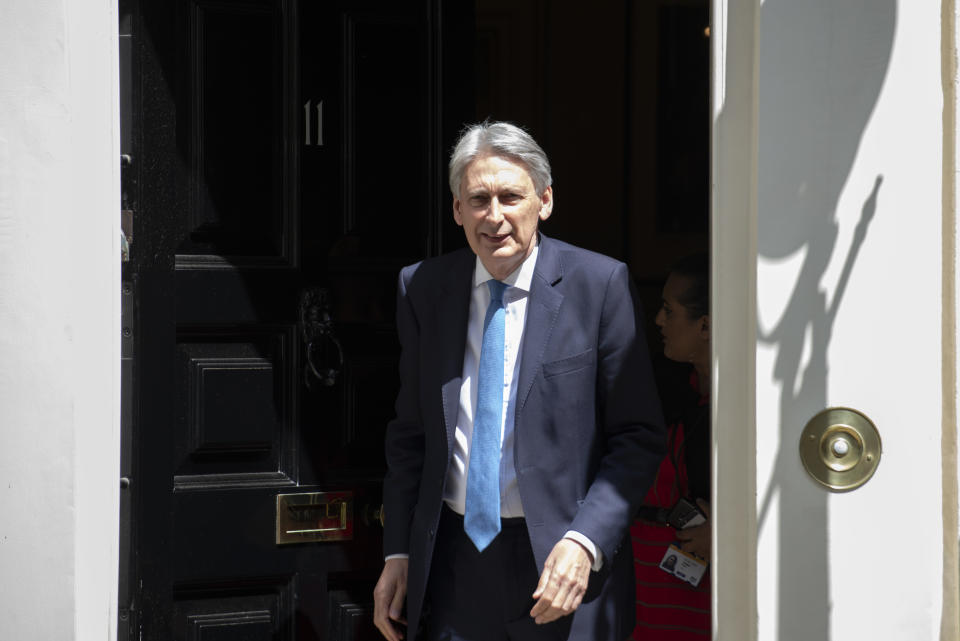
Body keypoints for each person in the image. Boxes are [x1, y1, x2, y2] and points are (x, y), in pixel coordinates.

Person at [372, 121, 666, 641]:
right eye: (478, 199)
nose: (495, 216)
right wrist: (398, 551)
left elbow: (637, 436)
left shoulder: (599, 285)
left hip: (562, 563)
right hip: (451, 566)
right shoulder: (423, 287)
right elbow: (411, 434)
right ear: (457, 210)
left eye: (511, 196)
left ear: (544, 201)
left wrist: (585, 541)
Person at [629, 253, 711, 640]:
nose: (658, 321)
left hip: (705, 598)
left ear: (706, 325)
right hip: (647, 592)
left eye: (668, 310)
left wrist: (731, 534)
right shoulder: (661, 390)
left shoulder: (749, 413)